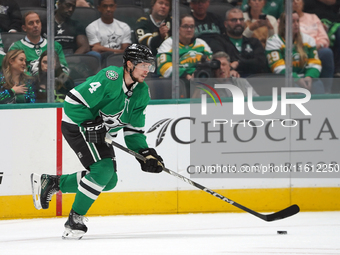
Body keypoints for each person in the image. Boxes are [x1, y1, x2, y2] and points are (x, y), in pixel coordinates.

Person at [30, 44, 164, 240]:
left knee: (109, 181)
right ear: (129, 64)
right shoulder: (110, 77)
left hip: (101, 132)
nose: (147, 70)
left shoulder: (142, 92)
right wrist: (90, 123)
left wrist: (145, 153)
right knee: (103, 170)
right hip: (78, 125)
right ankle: (74, 219)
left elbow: (133, 132)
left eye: (149, 66)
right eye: (143, 65)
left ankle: (52, 182)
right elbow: (72, 101)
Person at [265, 12, 325, 94]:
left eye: (297, 21)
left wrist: (309, 76)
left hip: (305, 77)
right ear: (284, 24)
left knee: (318, 85)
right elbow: (277, 66)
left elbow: (315, 62)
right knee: (296, 89)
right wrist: (296, 79)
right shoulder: (273, 41)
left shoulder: (308, 40)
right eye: (292, 22)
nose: (296, 24)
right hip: (284, 80)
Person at [156, 14, 212, 97]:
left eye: (192, 26)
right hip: (176, 84)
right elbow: (164, 68)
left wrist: (197, 73)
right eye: (185, 26)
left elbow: (210, 63)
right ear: (178, 29)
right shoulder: (168, 44)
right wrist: (186, 74)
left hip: (198, 82)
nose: (189, 29)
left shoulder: (202, 44)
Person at [211, 8, 268, 77]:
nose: (238, 23)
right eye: (234, 20)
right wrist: (249, 62)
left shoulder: (254, 42)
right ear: (226, 24)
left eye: (241, 20)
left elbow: (261, 63)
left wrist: (238, 63)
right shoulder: (218, 41)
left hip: (255, 81)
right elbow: (222, 62)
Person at [9, 11, 69, 76]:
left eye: (37, 22)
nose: (35, 25)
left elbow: (64, 70)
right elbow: (13, 71)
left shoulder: (55, 45)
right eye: (31, 23)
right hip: (28, 84)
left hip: (54, 83)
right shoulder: (16, 47)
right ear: (24, 28)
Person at [293, 0, 334, 93]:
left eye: (298, 0)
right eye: (292, 1)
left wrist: (317, 45)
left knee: (326, 52)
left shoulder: (313, 17)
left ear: (303, 3)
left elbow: (324, 38)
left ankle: (327, 90)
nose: (295, 2)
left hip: (316, 48)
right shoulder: (284, 20)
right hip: (296, 51)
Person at [192, 51, 259, 98]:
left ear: (229, 66)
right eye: (218, 66)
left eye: (224, 64)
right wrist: (198, 83)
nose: (221, 68)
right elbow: (195, 106)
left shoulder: (242, 82)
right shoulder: (207, 87)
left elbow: (257, 101)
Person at [86, 0, 132, 66]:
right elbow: (96, 50)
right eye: (105, 6)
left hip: (121, 59)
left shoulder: (124, 26)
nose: (108, 9)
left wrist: (102, 48)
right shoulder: (91, 27)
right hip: (103, 61)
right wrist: (118, 51)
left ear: (115, 7)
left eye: (111, 6)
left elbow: (125, 51)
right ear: (99, 8)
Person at [303, 0, 340, 78]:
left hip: (333, 23)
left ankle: (337, 69)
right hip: (310, 24)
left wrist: (321, 43)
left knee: (326, 51)